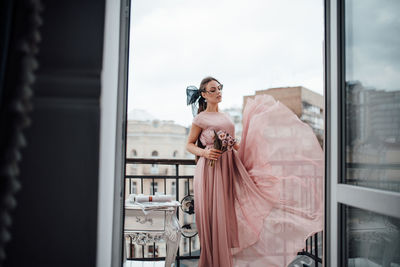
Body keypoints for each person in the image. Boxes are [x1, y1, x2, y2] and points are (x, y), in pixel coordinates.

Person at [186, 76, 324, 267]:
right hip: (209, 172)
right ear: (203, 95)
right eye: (213, 90)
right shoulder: (200, 119)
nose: (218, 92)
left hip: (228, 169)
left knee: (227, 215)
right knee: (212, 218)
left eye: (219, 88)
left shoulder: (225, 116)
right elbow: (189, 145)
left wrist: (249, 146)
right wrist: (205, 152)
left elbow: (233, 142)